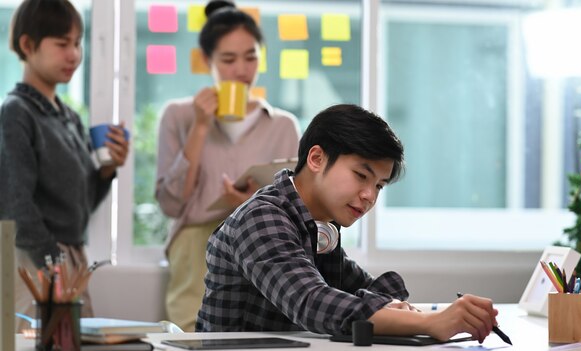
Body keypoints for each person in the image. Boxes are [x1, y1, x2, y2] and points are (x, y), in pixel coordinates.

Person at [196, 104, 499, 342]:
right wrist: (430, 322)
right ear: (316, 159)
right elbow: (312, 302)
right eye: (361, 176)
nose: (369, 196)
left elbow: (367, 292)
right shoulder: (261, 217)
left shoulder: (318, 225)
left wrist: (432, 314)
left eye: (379, 186)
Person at [156, 0, 300, 331]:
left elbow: (297, 205)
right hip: (195, 249)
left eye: (251, 57)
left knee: (262, 335)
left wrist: (250, 207)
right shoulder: (178, 116)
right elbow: (171, 203)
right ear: (208, 61)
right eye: (228, 59)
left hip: (263, 243)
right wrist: (201, 126)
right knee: (192, 335)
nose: (241, 70)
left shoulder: (282, 126)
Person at [0, 0, 129, 332]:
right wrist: (54, 264)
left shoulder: (70, 118)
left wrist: (106, 169)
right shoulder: (17, 112)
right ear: (27, 45)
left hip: (68, 256)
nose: (74, 54)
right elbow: (15, 204)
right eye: (62, 44)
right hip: (32, 257)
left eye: (77, 43)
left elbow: (82, 206)